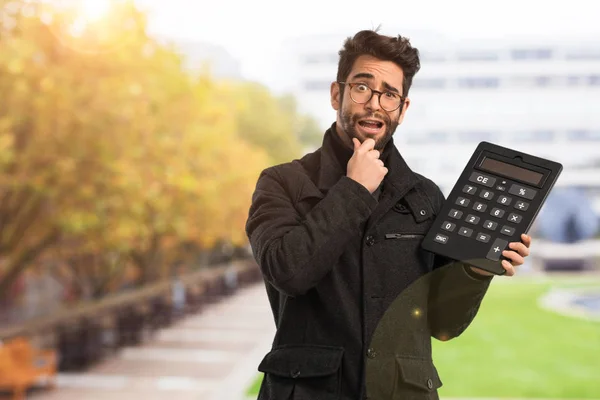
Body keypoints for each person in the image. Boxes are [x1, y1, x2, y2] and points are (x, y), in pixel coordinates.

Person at [245, 29, 532, 400]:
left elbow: (444, 323)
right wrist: (354, 190)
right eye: (363, 87)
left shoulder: (426, 197)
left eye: (390, 94)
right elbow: (288, 271)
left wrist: (475, 271)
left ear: (403, 108)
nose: (375, 104)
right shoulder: (283, 183)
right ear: (338, 94)